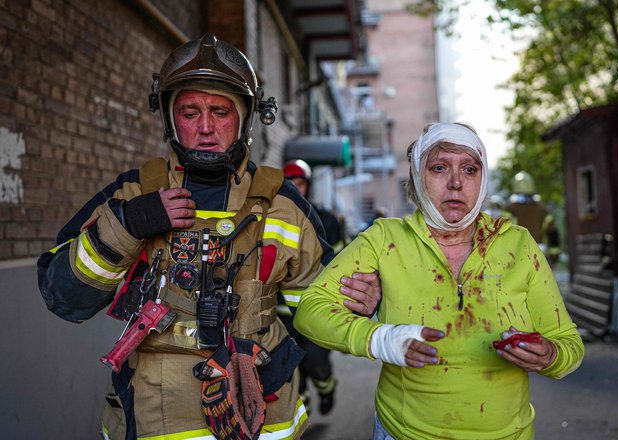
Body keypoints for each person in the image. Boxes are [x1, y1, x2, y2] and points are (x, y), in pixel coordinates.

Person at [37, 34, 380, 440]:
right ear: (168, 117)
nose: (204, 128)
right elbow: (64, 297)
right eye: (189, 111)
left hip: (264, 416)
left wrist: (359, 301)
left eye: (220, 111)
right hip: (157, 417)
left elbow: (319, 310)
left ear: (245, 119)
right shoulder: (132, 195)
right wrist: (130, 223)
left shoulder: (284, 205)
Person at [294, 122, 584, 439]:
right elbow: (311, 311)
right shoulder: (385, 239)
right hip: (404, 433)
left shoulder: (517, 244)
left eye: (470, 169)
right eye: (439, 167)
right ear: (419, 178)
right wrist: (380, 339)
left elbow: (569, 344)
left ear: (482, 178)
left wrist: (550, 356)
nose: (456, 183)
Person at [281, 159, 340, 415]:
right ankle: (303, 411)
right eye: (290, 183)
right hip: (282, 314)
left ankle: (327, 388)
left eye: (300, 183)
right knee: (292, 369)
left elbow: (339, 264)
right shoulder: (272, 219)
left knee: (317, 364)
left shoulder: (326, 221)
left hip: (317, 309)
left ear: (309, 186)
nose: (296, 187)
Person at [507, 171, 561, 266]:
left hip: (516, 255)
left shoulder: (510, 210)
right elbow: (553, 233)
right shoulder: (543, 210)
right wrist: (554, 255)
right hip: (540, 254)